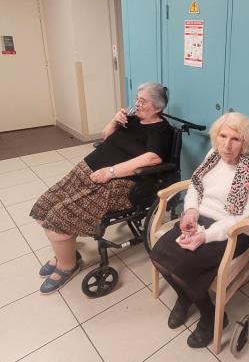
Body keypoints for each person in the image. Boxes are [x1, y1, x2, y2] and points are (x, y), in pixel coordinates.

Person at [31, 83, 172, 294]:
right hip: (86, 171)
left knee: (57, 219)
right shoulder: (131, 119)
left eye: (143, 101)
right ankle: (66, 252)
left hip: (115, 184)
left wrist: (111, 171)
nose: (137, 103)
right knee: (43, 207)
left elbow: (153, 158)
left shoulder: (161, 130)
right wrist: (114, 120)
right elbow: (106, 136)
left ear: (157, 108)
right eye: (137, 98)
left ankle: (67, 265)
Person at [149, 112, 249, 348]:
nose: (226, 145)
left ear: (245, 141)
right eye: (222, 136)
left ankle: (210, 316)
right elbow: (195, 185)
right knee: (159, 256)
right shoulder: (214, 154)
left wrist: (206, 235)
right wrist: (190, 212)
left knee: (185, 266)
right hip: (201, 219)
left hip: (236, 230)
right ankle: (185, 296)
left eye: (235, 139)